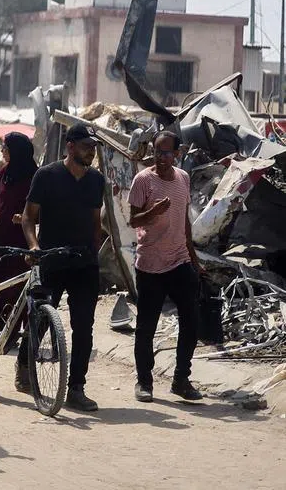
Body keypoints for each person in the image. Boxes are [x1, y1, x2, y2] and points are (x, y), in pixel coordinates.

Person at [21, 123, 106, 412]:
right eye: (86, 147)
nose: (91, 153)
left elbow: (96, 223)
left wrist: (95, 255)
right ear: (70, 146)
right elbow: (28, 217)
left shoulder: (96, 180)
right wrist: (34, 246)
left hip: (84, 264)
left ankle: (76, 388)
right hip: (51, 260)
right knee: (41, 320)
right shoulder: (46, 176)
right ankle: (24, 366)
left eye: (94, 148)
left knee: (84, 327)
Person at [128, 130, 204, 403]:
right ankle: (144, 382)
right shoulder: (143, 180)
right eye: (157, 152)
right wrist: (153, 212)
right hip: (150, 263)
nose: (161, 158)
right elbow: (133, 221)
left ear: (178, 153)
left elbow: (184, 221)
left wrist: (195, 261)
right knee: (146, 326)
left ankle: (181, 379)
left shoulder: (183, 178)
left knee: (191, 321)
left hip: (179, 259)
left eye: (166, 152)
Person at [0, 132, 38, 393]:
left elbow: (42, 208)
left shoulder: (36, 178)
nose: (3, 151)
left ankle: (22, 363)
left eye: (6, 148)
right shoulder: (4, 174)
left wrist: (26, 218)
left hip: (22, 243)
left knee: (22, 298)